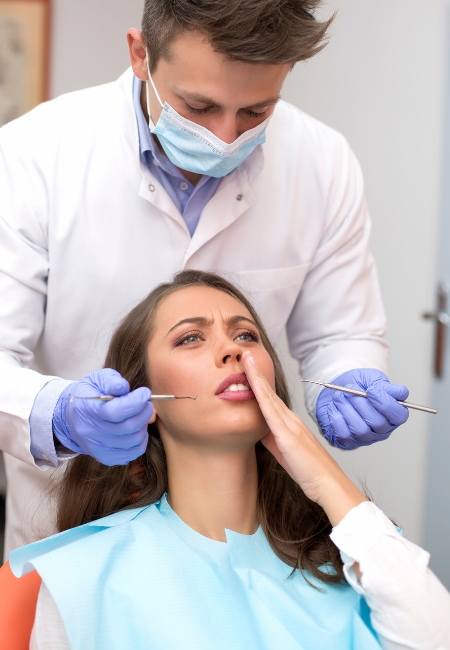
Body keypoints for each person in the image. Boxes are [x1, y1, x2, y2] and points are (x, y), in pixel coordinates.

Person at [0, 0, 409, 556]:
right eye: (200, 106)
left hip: (242, 533)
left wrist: (348, 379)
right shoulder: (33, 155)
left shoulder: (323, 161)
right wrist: (59, 416)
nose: (224, 137)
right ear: (141, 54)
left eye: (255, 113)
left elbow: (339, 333)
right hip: (70, 525)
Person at [9, 271, 450, 650]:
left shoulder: (352, 560)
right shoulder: (82, 576)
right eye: (191, 338)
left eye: (246, 336)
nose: (233, 351)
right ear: (143, 398)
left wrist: (326, 479)